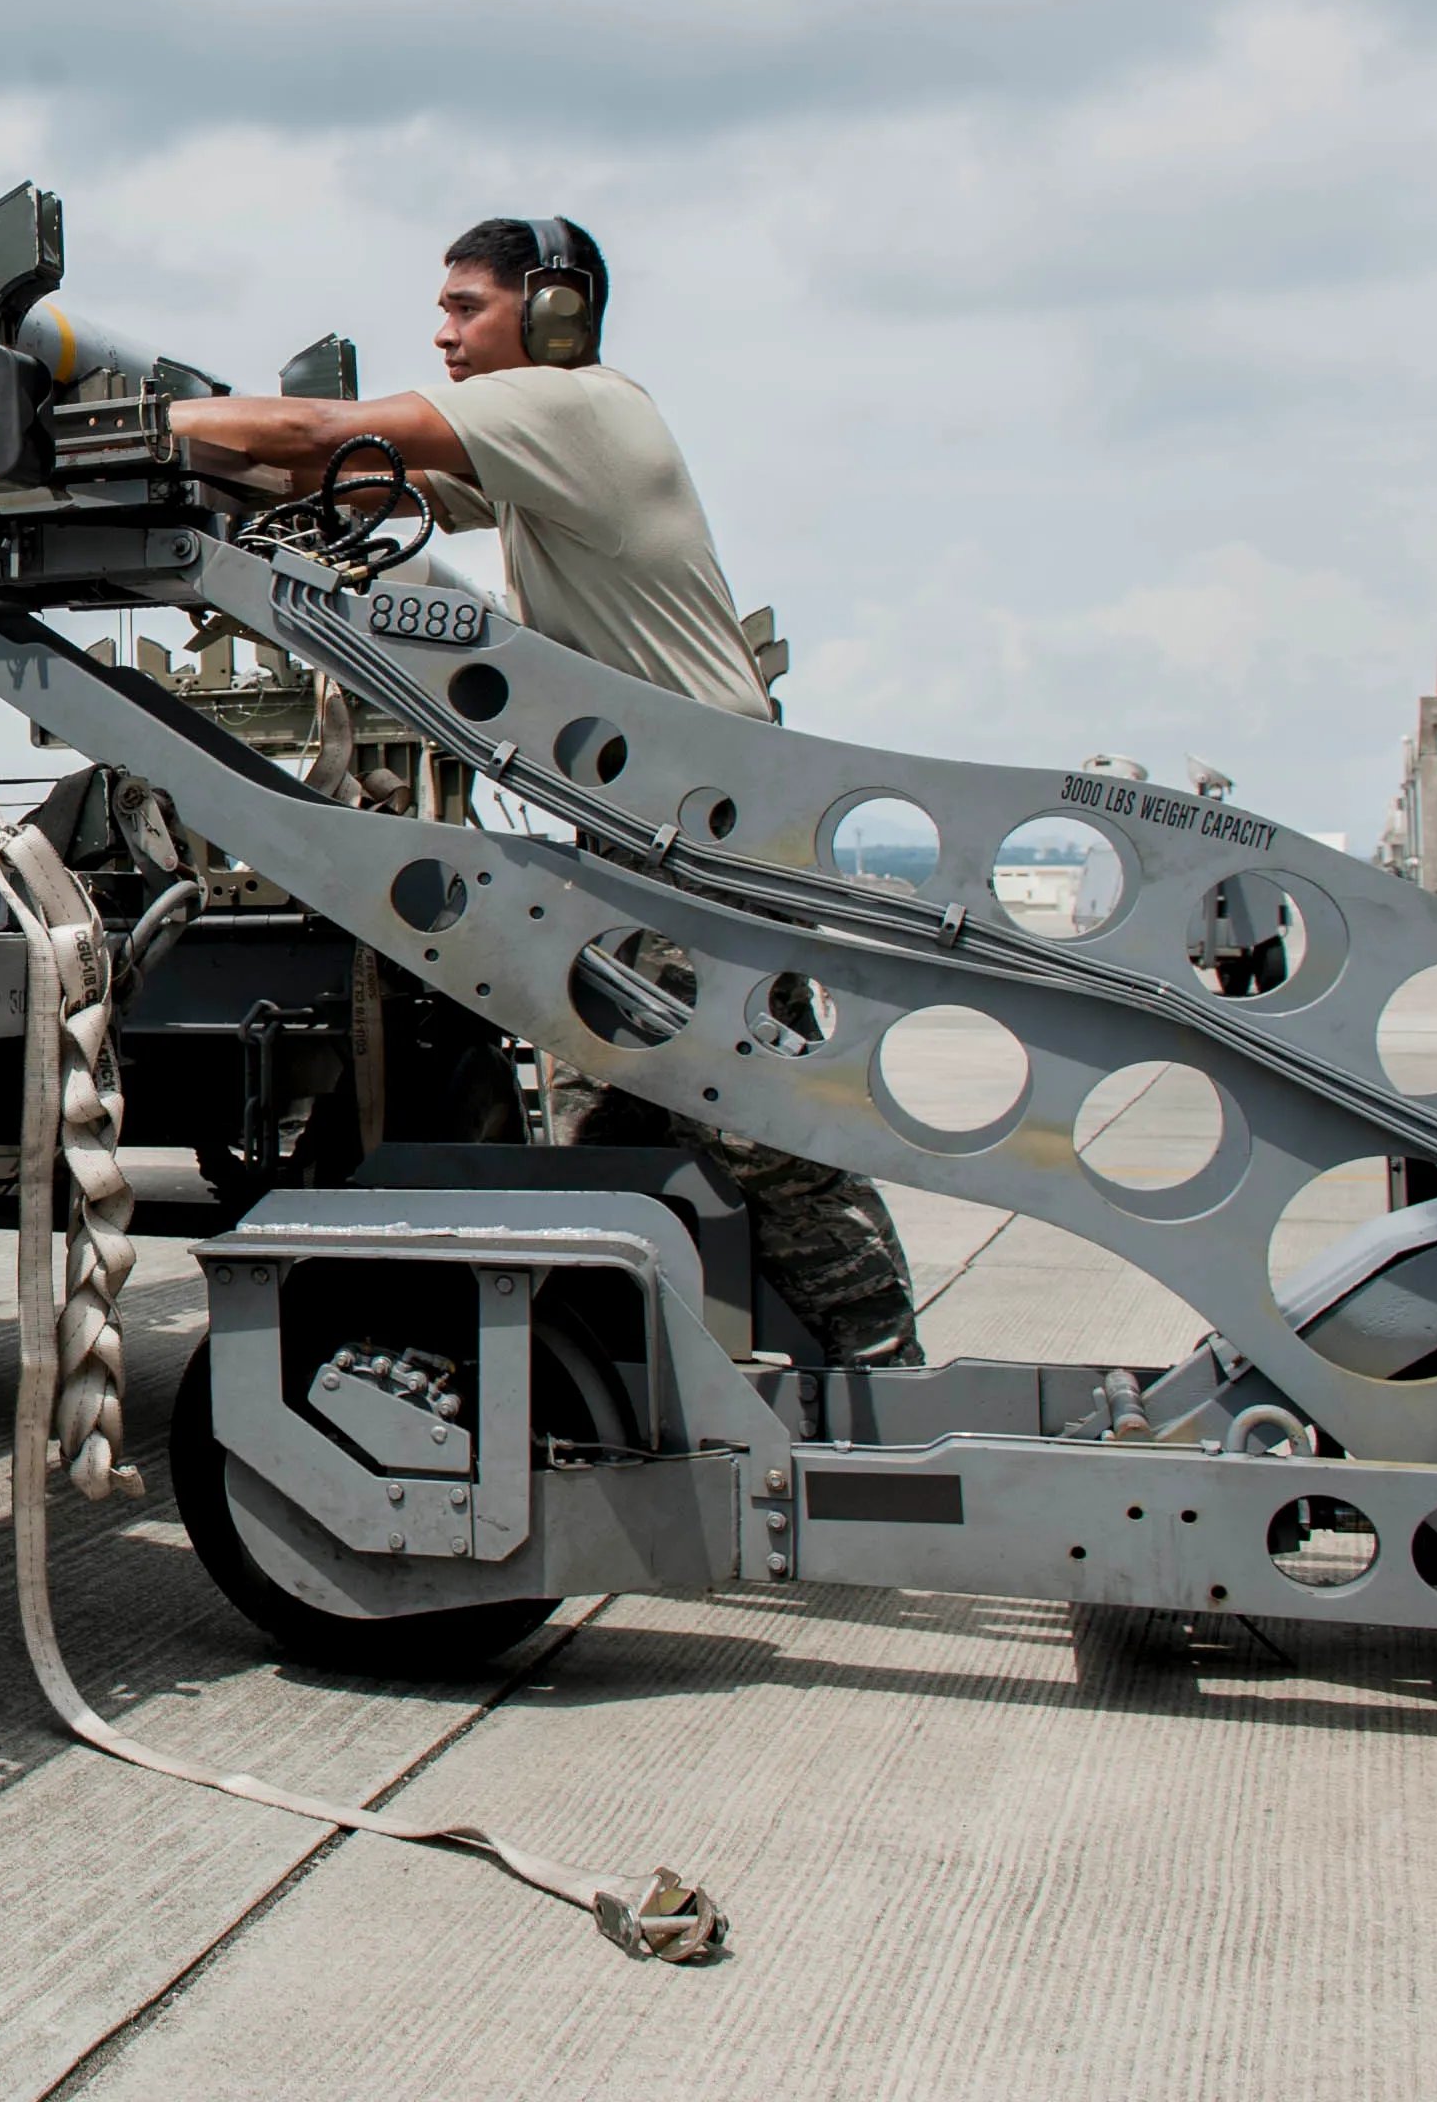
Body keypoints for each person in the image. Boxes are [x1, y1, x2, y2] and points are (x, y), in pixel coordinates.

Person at [160, 215, 925, 1366]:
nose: (442, 332)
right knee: (606, 1129)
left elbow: (322, 431)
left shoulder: (570, 407)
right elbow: (356, 482)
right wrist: (213, 476)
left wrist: (135, 421)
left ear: (554, 309)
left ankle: (883, 1368)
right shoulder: (534, 453)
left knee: (758, 1125)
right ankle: (633, 1371)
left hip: (699, 835)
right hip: (647, 837)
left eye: (465, 307)